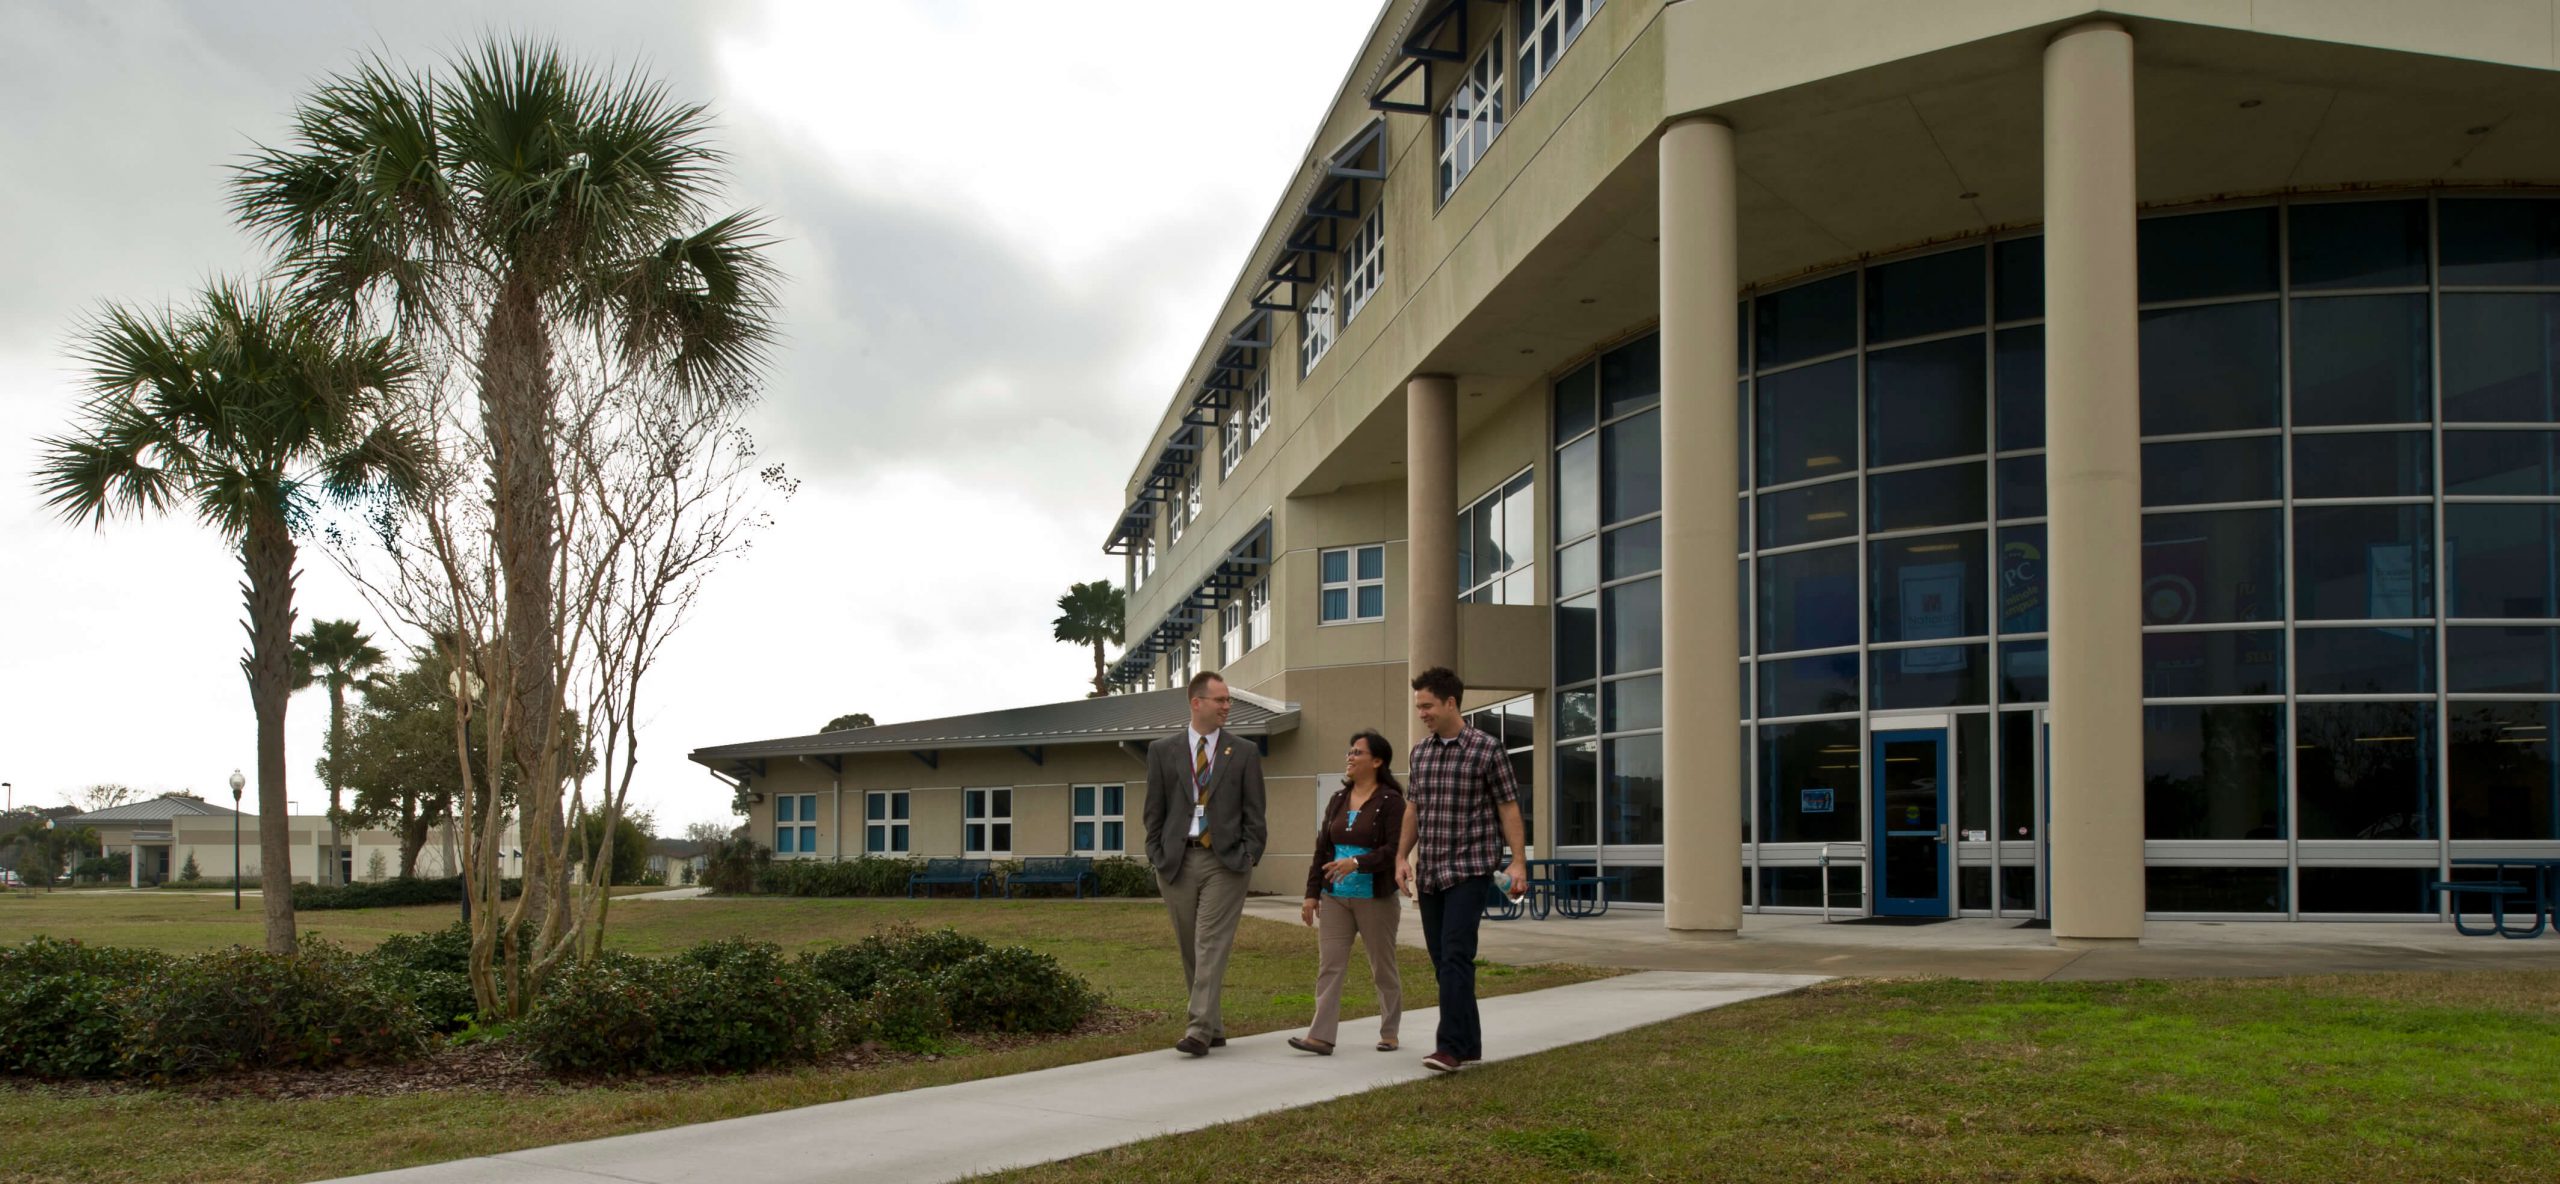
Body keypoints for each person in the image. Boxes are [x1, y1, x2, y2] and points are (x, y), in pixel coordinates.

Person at [1395, 665, 1528, 1073]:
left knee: (1455, 956)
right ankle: (1468, 1044)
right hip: (1432, 871)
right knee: (1443, 961)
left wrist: (1519, 861)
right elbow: (1414, 809)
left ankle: (1448, 1047)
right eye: (1418, 706)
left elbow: (1508, 806)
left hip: (1470, 869)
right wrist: (1402, 856)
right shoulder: (1421, 752)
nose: (1422, 713)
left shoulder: (1487, 749)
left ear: (1451, 702)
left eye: (1427, 705)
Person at [1143, 670, 1267, 1057]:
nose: (1227, 706)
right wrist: (1156, 855)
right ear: (1197, 703)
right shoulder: (1162, 751)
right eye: (1221, 700)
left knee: (1210, 943)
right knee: (1190, 948)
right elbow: (1154, 811)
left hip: (1225, 862)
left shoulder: (1243, 751)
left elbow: (1255, 812)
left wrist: (1249, 854)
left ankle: (1197, 1029)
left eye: (1228, 700)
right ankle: (1212, 1026)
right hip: (1177, 861)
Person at [1288, 730, 1407, 1056]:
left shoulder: (1392, 802)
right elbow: (1322, 849)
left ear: (1377, 761)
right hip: (1335, 898)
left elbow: (1395, 850)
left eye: (1357, 752)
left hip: (1375, 898)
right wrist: (1312, 893)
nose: (1350, 757)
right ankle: (1321, 1037)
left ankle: (1390, 1032)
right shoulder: (1338, 799)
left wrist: (1357, 862)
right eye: (1349, 751)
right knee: (1330, 967)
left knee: (1382, 967)